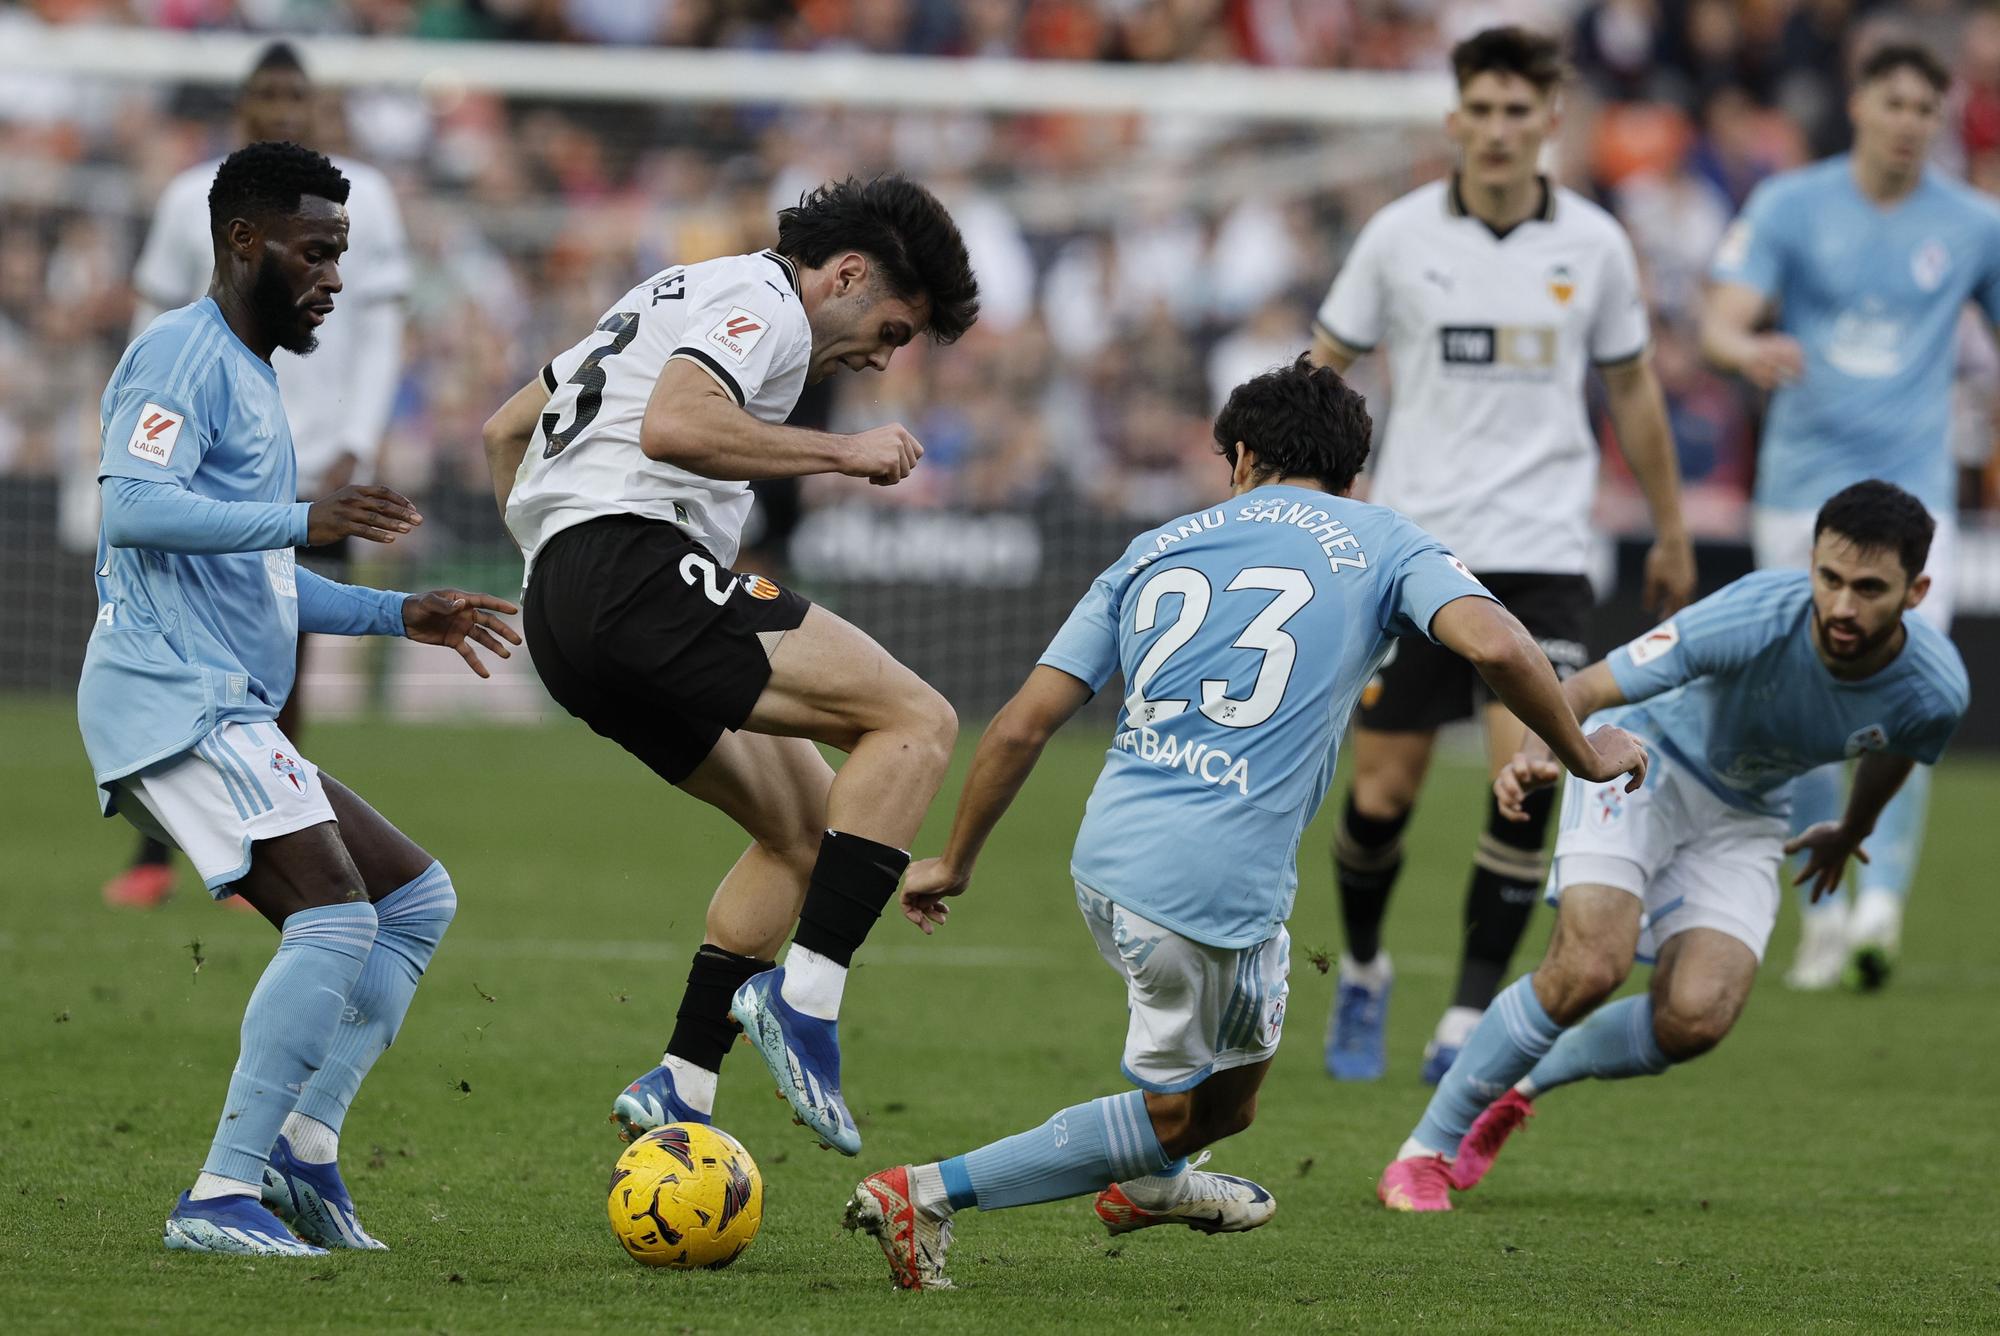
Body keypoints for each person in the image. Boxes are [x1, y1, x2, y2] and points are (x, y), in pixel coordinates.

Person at [842, 356, 1648, 1289]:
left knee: (1223, 1099)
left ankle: (1152, 1183)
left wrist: (956, 857)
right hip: (1213, 887)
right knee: (1195, 1114)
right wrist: (1584, 754)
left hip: (1107, 857)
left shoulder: (1153, 546)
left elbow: (1023, 721)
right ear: (1354, 472)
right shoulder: (1384, 539)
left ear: (1243, 457)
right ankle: (929, 1192)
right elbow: (1502, 643)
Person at [79, 142, 520, 1254]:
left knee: (414, 900)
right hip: (169, 697)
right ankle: (217, 1196)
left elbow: (260, 573)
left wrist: (394, 613)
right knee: (332, 914)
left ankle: (300, 1147)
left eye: (341, 255)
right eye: (316, 252)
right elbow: (132, 508)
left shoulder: (255, 377)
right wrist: (304, 518)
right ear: (243, 243)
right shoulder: (178, 353)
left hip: (217, 699)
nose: (332, 277)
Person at [482, 176, 979, 1157]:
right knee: (915, 721)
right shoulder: (765, 305)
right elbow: (671, 426)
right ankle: (806, 1003)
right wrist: (842, 453)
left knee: (802, 830)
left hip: (566, 609)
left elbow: (504, 428)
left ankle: (681, 1080)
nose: (883, 358)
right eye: (892, 328)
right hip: (631, 568)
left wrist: (551, 570)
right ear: (843, 274)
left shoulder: (672, 292)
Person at [1376, 481, 1968, 1212]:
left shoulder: (1936, 690)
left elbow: (1896, 743)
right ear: (1811, 564)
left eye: (1870, 588)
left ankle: (1519, 1087)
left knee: (1696, 1018)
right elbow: (1589, 686)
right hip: (1642, 765)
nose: (1843, 607)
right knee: (1589, 967)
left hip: (1747, 811)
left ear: (1918, 591)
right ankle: (1425, 1151)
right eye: (1830, 578)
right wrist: (1535, 751)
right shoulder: (1756, 613)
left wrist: (1853, 828)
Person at [1311, 26, 1695, 1083]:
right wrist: (1289, 487)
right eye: (1477, 110)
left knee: (1523, 778)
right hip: (1410, 553)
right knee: (1379, 795)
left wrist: (1666, 526)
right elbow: (1326, 360)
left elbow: (1632, 392)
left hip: (1540, 556)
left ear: (1548, 125)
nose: (1494, 129)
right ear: (1452, 120)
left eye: (1514, 112)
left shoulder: (1595, 245)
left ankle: (1462, 1015)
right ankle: (1363, 968)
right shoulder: (1394, 237)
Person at [1700, 41, 1999, 991]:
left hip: (1914, 499)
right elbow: (1720, 318)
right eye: (1896, 101)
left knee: (1911, 699)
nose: (1911, 120)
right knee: (1806, 705)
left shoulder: (1973, 224)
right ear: (1860, 104)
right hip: (1800, 493)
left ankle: (1881, 902)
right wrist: (1742, 349)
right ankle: (1824, 905)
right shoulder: (1793, 203)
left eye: (1927, 107)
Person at [105, 40, 410, 910]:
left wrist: (359, 435)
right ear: (242, 105)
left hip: (315, 463)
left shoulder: (366, 200)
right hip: (208, 460)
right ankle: (165, 851)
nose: (281, 107)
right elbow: (150, 321)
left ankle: (268, 837)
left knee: (283, 659)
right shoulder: (190, 199)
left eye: (295, 94)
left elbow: (382, 329)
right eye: (265, 94)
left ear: (316, 105)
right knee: (182, 648)